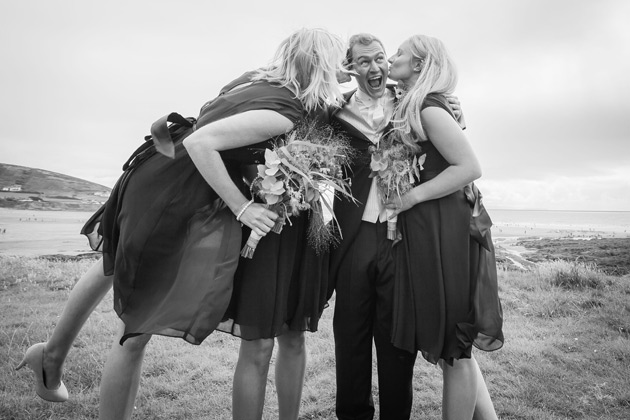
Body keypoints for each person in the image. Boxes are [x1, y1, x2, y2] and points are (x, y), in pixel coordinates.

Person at [17, 27, 346, 420]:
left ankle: (51, 354)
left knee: (112, 264)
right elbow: (200, 142)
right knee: (137, 323)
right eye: (338, 59)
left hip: (161, 173)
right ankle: (51, 357)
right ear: (321, 65)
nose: (343, 66)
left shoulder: (258, 80)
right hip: (177, 193)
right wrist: (243, 207)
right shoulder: (282, 111)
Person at [328, 33, 462, 420]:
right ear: (351, 67)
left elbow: (445, 131)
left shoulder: (411, 102)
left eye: (380, 59)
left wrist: (458, 111)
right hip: (354, 238)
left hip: (401, 235)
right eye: (363, 61)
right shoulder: (333, 112)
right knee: (350, 334)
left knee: (396, 338)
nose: (375, 68)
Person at [384, 34, 504, 419]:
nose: (391, 57)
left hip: (443, 231)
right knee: (453, 343)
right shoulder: (412, 103)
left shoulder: (430, 108)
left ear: (419, 64)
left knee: (454, 347)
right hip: (428, 230)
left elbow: (470, 168)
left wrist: (413, 198)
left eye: (399, 53)